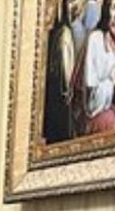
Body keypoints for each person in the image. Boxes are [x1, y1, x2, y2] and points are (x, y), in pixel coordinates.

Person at [84, 0, 115, 129]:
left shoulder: (108, 36)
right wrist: (112, 81)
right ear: (106, 11)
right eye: (114, 8)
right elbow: (91, 84)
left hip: (109, 96)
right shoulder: (95, 38)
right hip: (97, 104)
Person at [44, 0, 78, 141]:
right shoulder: (63, 33)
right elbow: (64, 65)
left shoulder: (63, 32)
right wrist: (67, 89)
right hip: (59, 86)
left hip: (59, 85)